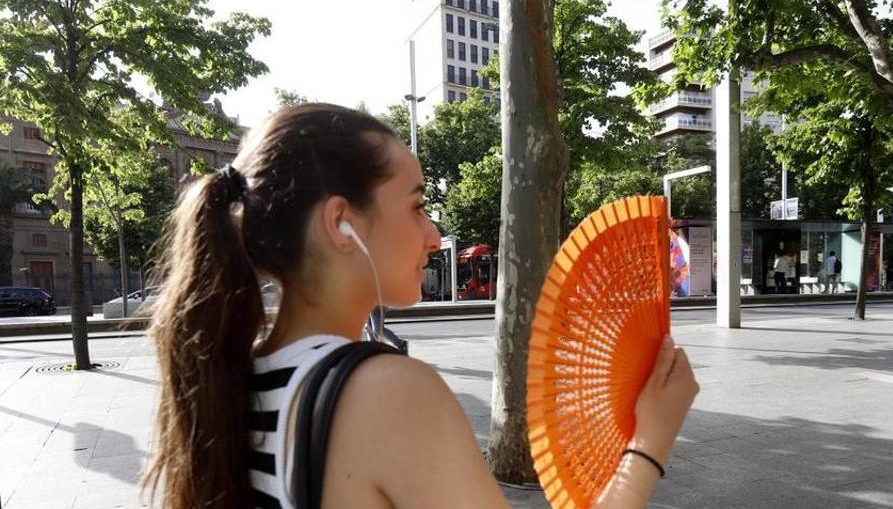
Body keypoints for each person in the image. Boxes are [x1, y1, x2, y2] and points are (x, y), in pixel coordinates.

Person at [140, 104, 700, 508]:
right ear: (342, 223)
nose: (433, 234)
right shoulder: (384, 392)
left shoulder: (243, 377)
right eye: (416, 207)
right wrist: (650, 441)